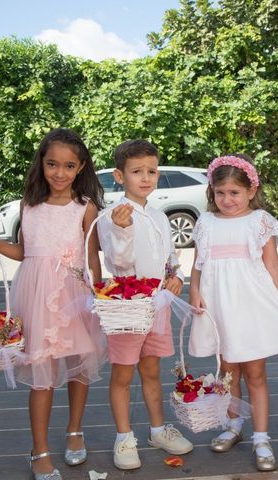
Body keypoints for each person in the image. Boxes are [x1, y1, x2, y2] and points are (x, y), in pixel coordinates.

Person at [0, 128, 106, 480]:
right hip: (35, 295)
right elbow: (25, 250)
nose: (59, 173)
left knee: (80, 365)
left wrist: (100, 295)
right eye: (52, 164)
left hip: (74, 295)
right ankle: (39, 449)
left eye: (68, 166)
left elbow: (93, 258)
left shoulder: (85, 207)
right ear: (41, 163)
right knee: (41, 373)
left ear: (80, 168)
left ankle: (75, 431)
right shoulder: (28, 205)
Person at [188, 154, 278, 472]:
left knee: (255, 374)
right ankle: (233, 426)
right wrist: (194, 290)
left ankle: (261, 437)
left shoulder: (259, 220)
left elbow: (273, 264)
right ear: (212, 192)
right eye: (220, 193)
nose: (227, 199)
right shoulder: (206, 222)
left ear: (251, 191)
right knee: (227, 373)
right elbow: (198, 264)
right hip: (219, 306)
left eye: (234, 193)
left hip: (251, 306)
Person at [96, 139, 193, 470]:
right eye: (137, 171)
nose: (146, 177)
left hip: (157, 305)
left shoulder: (159, 215)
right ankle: (123, 436)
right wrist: (122, 231)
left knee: (152, 369)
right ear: (119, 176)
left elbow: (168, 258)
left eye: (152, 171)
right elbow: (118, 263)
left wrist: (176, 276)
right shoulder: (113, 215)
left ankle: (156, 429)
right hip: (128, 305)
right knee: (123, 373)